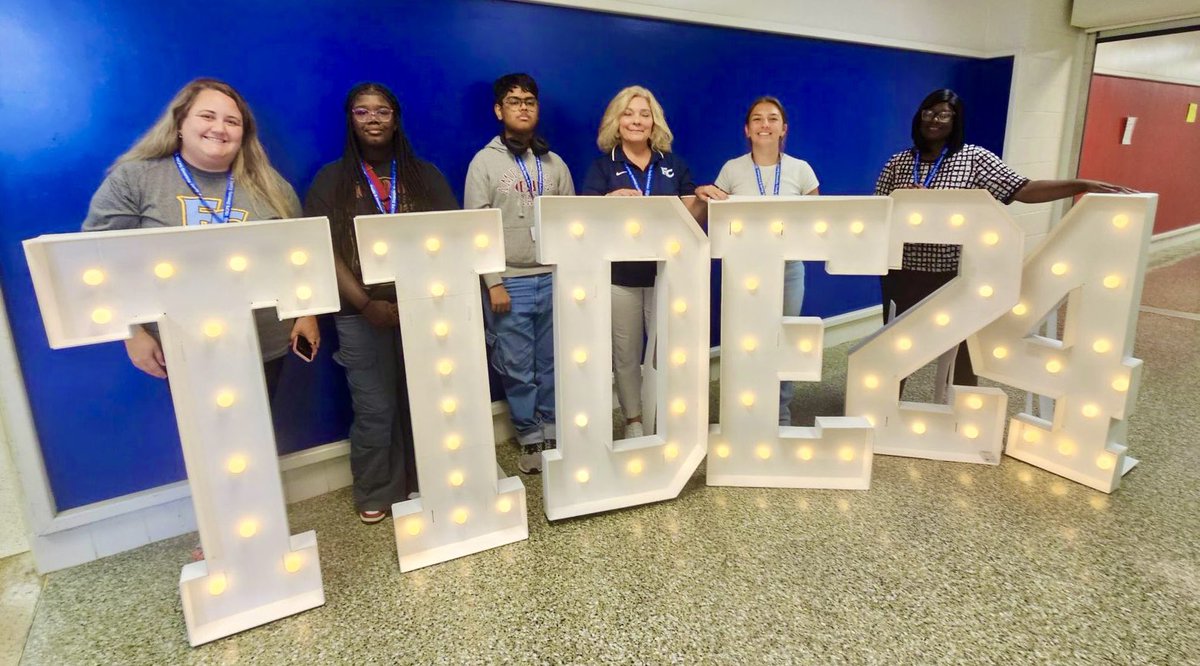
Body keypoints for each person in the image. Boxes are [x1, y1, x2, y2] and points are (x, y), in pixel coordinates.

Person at [874, 88, 1135, 391]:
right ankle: (883, 405)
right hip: (903, 272)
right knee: (895, 345)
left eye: (944, 113)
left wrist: (1080, 184)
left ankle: (963, 409)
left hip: (956, 273)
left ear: (956, 120)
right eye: (928, 112)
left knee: (963, 349)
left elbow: (1023, 190)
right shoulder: (899, 162)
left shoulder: (974, 158)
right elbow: (878, 211)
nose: (934, 119)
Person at [82, 77, 318, 397]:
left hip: (263, 341)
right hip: (179, 344)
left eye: (232, 121)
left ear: (244, 134)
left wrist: (306, 313)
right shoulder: (136, 178)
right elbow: (97, 258)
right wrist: (130, 333)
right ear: (180, 122)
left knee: (253, 438)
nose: (219, 128)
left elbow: (301, 253)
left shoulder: (272, 186)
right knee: (207, 440)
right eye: (207, 116)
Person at [304, 82, 459, 524]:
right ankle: (378, 490)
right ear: (350, 120)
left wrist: (419, 296)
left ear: (396, 118)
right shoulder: (331, 180)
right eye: (362, 112)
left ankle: (428, 476)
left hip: (424, 308)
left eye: (382, 111)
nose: (373, 120)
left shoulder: (424, 174)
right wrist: (365, 303)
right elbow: (321, 249)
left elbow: (451, 237)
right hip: (359, 313)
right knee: (375, 407)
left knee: (430, 399)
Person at [581, 85, 719, 440]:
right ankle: (633, 421)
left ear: (654, 122)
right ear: (616, 120)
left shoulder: (673, 165)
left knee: (668, 350)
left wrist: (702, 200)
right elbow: (587, 225)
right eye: (629, 113)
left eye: (645, 114)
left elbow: (691, 221)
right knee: (626, 355)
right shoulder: (602, 167)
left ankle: (667, 416)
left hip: (666, 276)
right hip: (620, 277)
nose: (637, 121)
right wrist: (609, 201)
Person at [465, 73, 575, 474]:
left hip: (553, 278)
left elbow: (571, 222)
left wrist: (569, 275)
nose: (523, 107)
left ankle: (553, 430)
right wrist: (492, 280)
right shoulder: (484, 163)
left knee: (550, 362)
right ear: (499, 110)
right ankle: (529, 436)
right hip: (509, 282)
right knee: (516, 366)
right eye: (514, 101)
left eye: (530, 100)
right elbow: (477, 229)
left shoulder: (554, 162)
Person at [712, 96, 820, 426]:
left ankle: (779, 413)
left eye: (772, 119)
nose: (765, 125)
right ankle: (744, 411)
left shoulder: (801, 170)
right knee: (745, 342)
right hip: (743, 273)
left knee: (782, 342)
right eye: (757, 119)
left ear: (783, 128)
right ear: (747, 129)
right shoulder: (732, 169)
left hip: (788, 270)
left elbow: (816, 220)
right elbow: (717, 216)